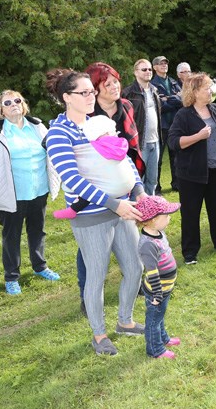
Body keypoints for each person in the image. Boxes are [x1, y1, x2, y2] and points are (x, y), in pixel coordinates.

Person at [44, 69, 145, 356]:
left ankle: (125, 321)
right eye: (84, 93)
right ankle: (99, 335)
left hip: (121, 209)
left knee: (135, 267)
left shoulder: (99, 123)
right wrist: (115, 204)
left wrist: (138, 190)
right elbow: (73, 181)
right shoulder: (58, 134)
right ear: (67, 97)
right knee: (96, 276)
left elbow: (122, 160)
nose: (92, 97)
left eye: (92, 91)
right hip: (92, 217)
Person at [0, 90, 62, 295]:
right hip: (10, 194)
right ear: (1, 110)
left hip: (38, 190)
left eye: (17, 100)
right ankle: (12, 276)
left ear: (24, 105)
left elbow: (53, 153)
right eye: (7, 102)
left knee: (37, 231)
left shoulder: (38, 127)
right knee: (11, 236)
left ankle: (40, 266)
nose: (13, 104)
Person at [79, 61, 143, 312]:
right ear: (95, 89)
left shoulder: (126, 105)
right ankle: (87, 295)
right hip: (99, 188)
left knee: (132, 236)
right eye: (108, 84)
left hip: (129, 177)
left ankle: (135, 281)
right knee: (93, 247)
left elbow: (130, 142)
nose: (115, 86)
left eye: (116, 81)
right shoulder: (87, 116)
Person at [169, 73, 216, 263]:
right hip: (191, 174)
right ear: (195, 92)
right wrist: (197, 136)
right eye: (206, 88)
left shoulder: (215, 109)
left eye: (210, 87)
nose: (210, 91)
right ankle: (190, 253)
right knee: (190, 213)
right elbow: (174, 142)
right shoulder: (184, 114)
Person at [135, 196, 183, 359]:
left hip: (165, 288)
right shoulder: (148, 244)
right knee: (153, 321)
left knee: (159, 316)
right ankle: (155, 350)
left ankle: (163, 338)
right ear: (153, 220)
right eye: (166, 216)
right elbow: (152, 272)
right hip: (157, 290)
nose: (169, 218)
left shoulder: (158, 232)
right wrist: (157, 294)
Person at [124, 59, 162, 196]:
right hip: (139, 144)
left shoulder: (154, 90)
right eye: (144, 69)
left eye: (150, 69)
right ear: (135, 72)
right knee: (138, 182)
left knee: (152, 181)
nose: (148, 72)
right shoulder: (128, 93)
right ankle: (137, 214)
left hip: (156, 142)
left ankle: (149, 212)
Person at [151, 55, 182, 192]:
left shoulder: (174, 82)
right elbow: (159, 107)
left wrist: (167, 99)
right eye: (160, 63)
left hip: (175, 125)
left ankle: (177, 184)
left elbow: (183, 100)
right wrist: (174, 100)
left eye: (165, 63)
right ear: (155, 67)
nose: (164, 65)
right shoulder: (152, 85)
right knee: (158, 158)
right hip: (161, 126)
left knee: (176, 157)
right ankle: (156, 187)